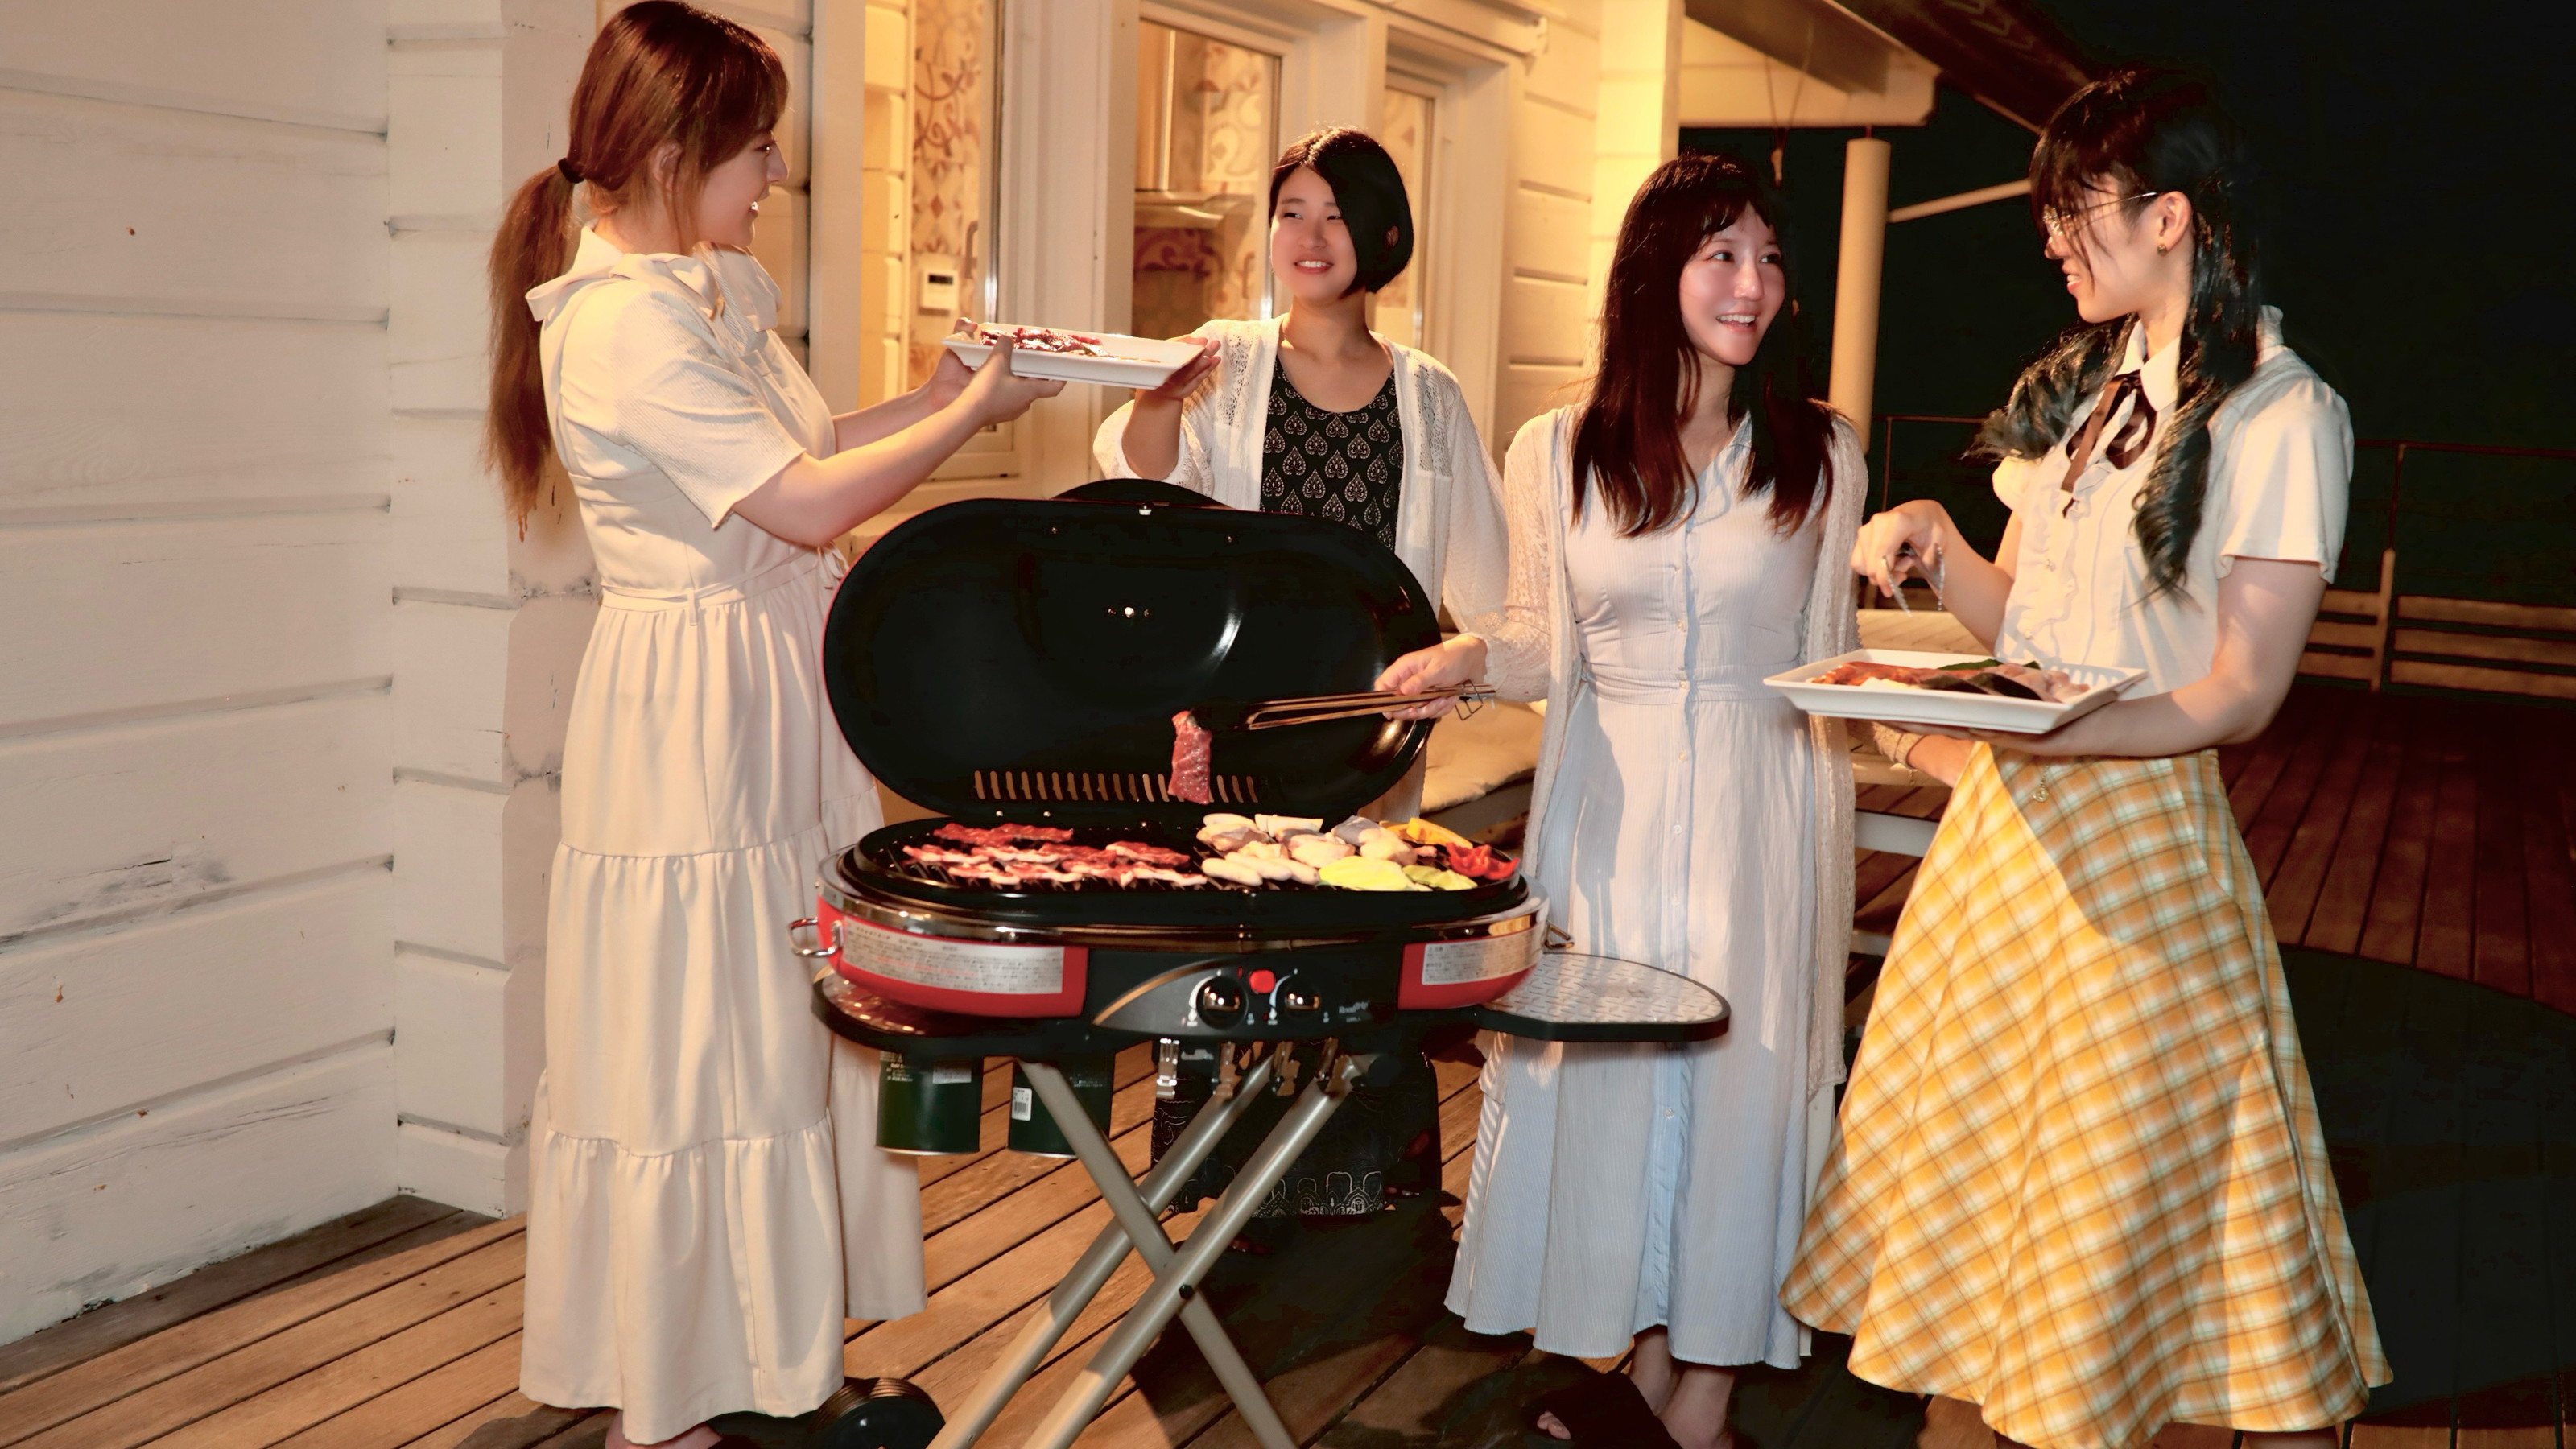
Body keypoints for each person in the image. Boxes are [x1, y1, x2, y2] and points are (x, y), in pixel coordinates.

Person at [1780, 67, 2388, 1449]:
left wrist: (2029, 728)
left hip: (2139, 865)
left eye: (2077, 209)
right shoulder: (2103, 390)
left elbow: (2235, 695)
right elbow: (2042, 634)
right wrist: (1942, 553)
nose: (2052, 235)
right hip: (2009, 855)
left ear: (2171, 217)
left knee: (2122, 1237)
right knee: (1988, 1227)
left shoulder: (2283, 415)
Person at [481, 6, 1061, 1446]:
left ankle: (753, 1359)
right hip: (693, 708)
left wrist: (927, 399)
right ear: (676, 154)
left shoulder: (710, 284)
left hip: (771, 683)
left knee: (771, 1027)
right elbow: (803, 507)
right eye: (756, 149)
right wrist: (978, 417)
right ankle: (665, 1408)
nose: (777, 174)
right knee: (696, 1040)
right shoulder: (618, 325)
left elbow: (795, 458)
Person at [1380, 151, 1864, 1449]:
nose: (1751, 284)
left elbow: (1834, 667)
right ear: (1658, 274)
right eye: (1721, 255)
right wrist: (1470, 658)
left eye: (1768, 257)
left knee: (1741, 1092)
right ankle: (1637, 1366)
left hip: (1767, 813)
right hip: (1611, 811)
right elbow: (1548, 640)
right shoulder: (1561, 446)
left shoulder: (1824, 451)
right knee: (1621, 1084)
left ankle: (1698, 1393)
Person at [1093, 126, 1509, 1234]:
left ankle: (1362, 1194)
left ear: (1381, 236)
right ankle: (1219, 1197)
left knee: (1357, 939)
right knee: (1229, 943)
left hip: (1368, 729)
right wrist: (1159, 399)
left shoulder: (1429, 396)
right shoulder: (1225, 358)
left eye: (1333, 214)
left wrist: (1469, 668)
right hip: (1235, 712)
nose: (1308, 236)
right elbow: (1137, 482)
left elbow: (1486, 579)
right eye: (1290, 212)